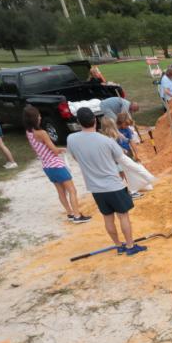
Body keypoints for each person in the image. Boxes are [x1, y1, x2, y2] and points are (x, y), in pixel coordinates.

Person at [66, 108, 146, 255]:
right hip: (114, 185)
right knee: (123, 216)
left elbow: (76, 158)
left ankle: (118, 245)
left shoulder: (71, 139)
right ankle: (130, 246)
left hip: (95, 188)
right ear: (95, 121)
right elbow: (122, 159)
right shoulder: (106, 141)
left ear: (78, 123)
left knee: (108, 218)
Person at [24, 106, 90, 224]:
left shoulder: (28, 133)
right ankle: (77, 216)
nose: (40, 117)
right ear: (34, 118)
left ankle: (70, 213)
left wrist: (57, 149)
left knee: (61, 192)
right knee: (72, 190)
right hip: (56, 165)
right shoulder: (42, 133)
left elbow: (42, 148)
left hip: (47, 166)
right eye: (38, 115)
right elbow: (54, 150)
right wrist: (63, 149)